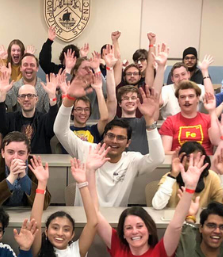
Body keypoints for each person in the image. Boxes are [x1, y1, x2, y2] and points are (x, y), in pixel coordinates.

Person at [56, 77, 165, 207]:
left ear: (128, 143)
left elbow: (158, 158)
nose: (114, 141)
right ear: (104, 136)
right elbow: (60, 131)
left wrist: (149, 120)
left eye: (120, 138)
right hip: (83, 216)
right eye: (110, 136)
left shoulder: (132, 160)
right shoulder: (86, 149)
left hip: (116, 218)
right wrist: (69, 100)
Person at [151, 142, 223, 216]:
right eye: (188, 160)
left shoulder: (211, 177)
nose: (193, 164)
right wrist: (173, 176)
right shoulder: (170, 177)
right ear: (180, 161)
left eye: (198, 160)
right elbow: (157, 205)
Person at [0, 70, 62, 154]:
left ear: (36, 99)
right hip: (16, 159)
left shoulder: (43, 120)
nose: (26, 99)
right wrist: (2, 93)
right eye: (23, 96)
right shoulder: (10, 118)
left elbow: (54, 124)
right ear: (18, 100)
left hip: (40, 160)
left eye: (30, 95)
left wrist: (52, 96)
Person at [0, 132, 52, 207]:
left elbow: (44, 204)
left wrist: (24, 178)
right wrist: (11, 178)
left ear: (27, 154)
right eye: (10, 152)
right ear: (3, 153)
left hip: (27, 212)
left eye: (21, 153)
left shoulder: (35, 165)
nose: (15, 157)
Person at [158, 81, 218, 155]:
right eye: (182, 97)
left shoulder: (208, 119)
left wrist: (212, 111)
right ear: (178, 100)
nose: (186, 100)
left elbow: (217, 142)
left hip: (204, 160)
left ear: (197, 98)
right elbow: (165, 152)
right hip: (179, 160)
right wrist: (187, 155)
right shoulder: (170, 121)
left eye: (191, 96)